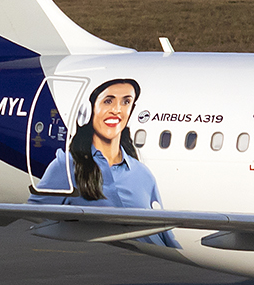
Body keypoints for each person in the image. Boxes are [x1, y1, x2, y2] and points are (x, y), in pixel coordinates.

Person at [31, 78, 178, 249]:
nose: (117, 110)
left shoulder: (143, 174)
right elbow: (36, 211)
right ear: (89, 110)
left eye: (126, 102)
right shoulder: (66, 166)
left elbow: (165, 236)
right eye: (108, 101)